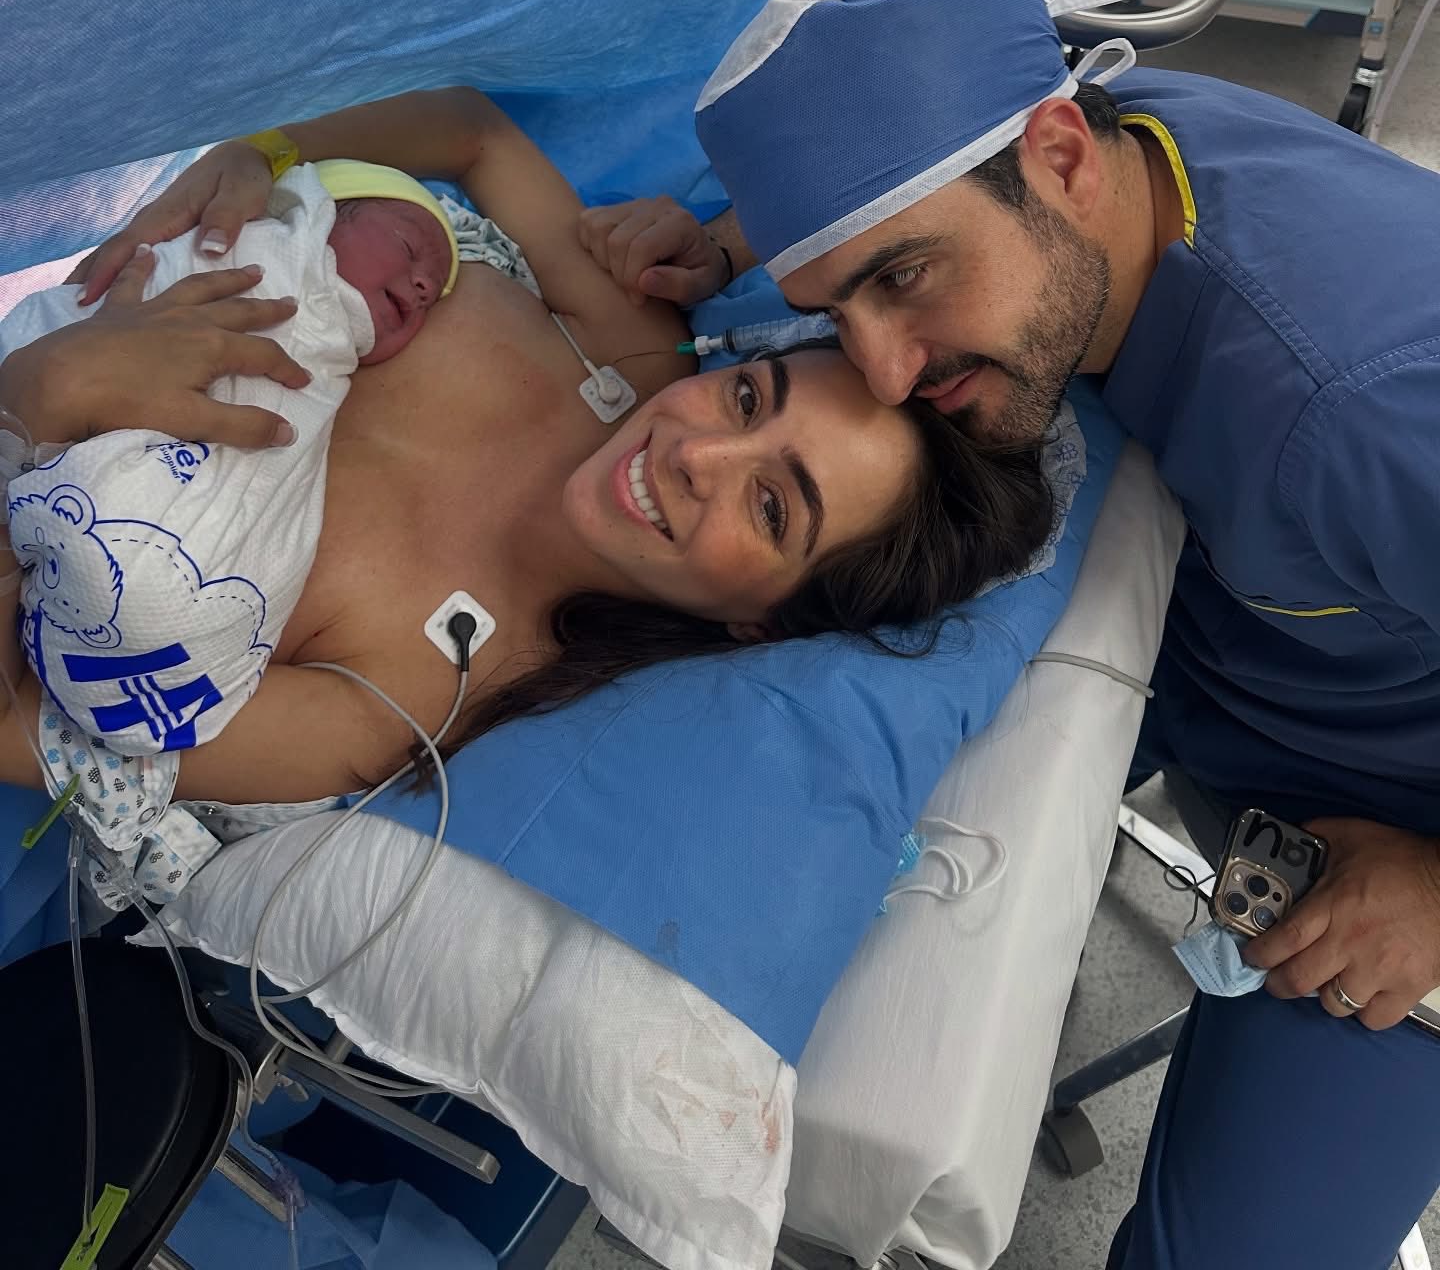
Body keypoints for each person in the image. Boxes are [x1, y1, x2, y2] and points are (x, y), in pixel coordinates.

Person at [578, 0, 1440, 1270]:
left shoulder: (1360, 415)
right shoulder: (1121, 146)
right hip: (1223, 638)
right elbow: (899, 188)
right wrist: (733, 247)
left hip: (1391, 812)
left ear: (1059, 157)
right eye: (836, 303)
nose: (881, 369)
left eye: (902, 277)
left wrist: (1436, 892)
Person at [1, 87, 1055, 853]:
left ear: (763, 626)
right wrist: (261, 149)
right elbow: (474, 132)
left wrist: (36, 398)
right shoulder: (629, 352)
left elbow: (20, 723)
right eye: (747, 399)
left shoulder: (410, 698)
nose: (695, 454)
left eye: (773, 507)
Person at [1, 157, 459, 772]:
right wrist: (256, 150)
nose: (424, 284)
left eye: (435, 290)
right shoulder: (260, 252)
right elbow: (470, 132)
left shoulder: (334, 368)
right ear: (325, 211)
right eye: (408, 246)